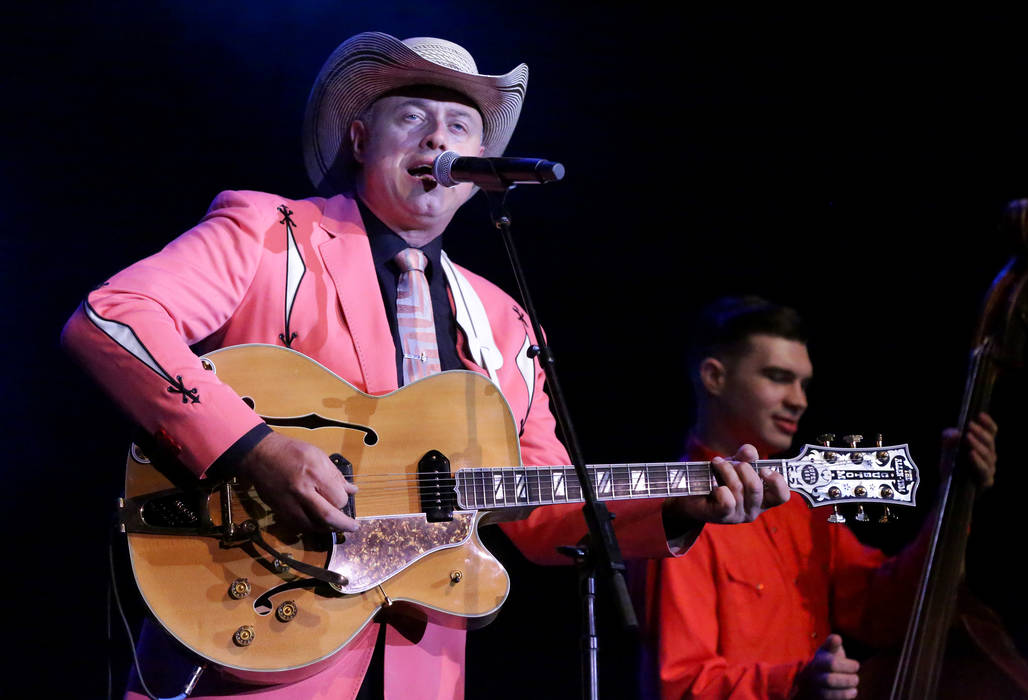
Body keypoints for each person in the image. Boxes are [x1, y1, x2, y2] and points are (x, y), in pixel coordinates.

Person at [62, 34, 789, 699]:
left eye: (462, 126)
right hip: (246, 633)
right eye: (411, 116)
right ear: (359, 138)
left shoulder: (502, 319)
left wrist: (684, 503)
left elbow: (544, 514)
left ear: (476, 174)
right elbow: (113, 317)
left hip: (420, 665)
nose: (440, 137)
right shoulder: (267, 234)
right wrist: (259, 449)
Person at [644, 296, 997, 700]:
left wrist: (954, 498)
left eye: (804, 383)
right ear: (714, 377)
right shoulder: (679, 515)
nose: (800, 400)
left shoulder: (801, 503)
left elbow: (882, 611)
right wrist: (795, 683)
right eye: (778, 377)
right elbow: (680, 685)